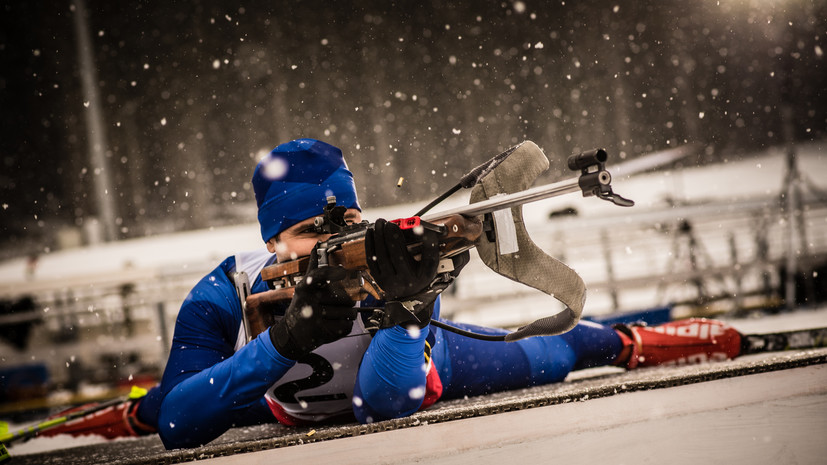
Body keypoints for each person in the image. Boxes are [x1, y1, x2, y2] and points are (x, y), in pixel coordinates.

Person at [42, 138, 743, 448]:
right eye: (312, 227)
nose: (336, 233)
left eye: (346, 218)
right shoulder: (224, 288)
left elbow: (385, 403)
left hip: (423, 369)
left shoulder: (386, 250)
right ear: (273, 235)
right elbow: (179, 427)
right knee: (167, 403)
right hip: (285, 403)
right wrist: (285, 338)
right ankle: (107, 415)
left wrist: (409, 309)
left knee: (561, 349)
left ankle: (648, 340)